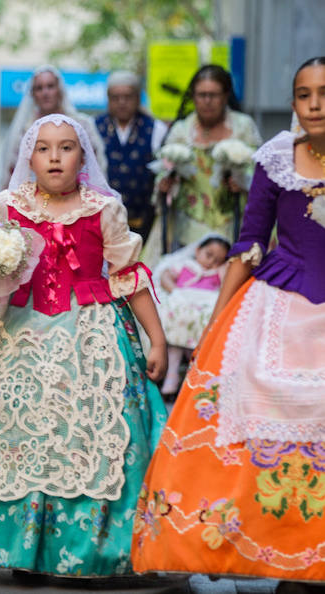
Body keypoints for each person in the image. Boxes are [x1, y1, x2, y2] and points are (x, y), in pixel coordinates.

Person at [0, 114, 168, 577]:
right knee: (12, 431)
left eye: (66, 147)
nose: (54, 156)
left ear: (82, 156)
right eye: (44, 147)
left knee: (85, 431)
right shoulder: (9, 206)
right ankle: (16, 550)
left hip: (90, 333)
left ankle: (84, 547)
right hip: (17, 329)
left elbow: (129, 276)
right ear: (29, 156)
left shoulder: (104, 208)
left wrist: (158, 339)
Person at [131, 57, 325, 585]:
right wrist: (217, 323)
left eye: (324, 93)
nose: (315, 104)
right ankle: (265, 551)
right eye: (304, 94)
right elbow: (250, 242)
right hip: (277, 304)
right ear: (292, 104)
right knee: (248, 437)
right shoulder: (276, 159)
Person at [144, 65, 262, 263]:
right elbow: (164, 171)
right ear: (193, 97)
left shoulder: (243, 127)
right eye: (201, 95)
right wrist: (166, 184)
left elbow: (261, 172)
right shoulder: (181, 131)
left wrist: (242, 182)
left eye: (214, 95)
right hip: (189, 224)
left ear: (226, 96)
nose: (207, 101)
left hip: (235, 221)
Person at [0, 65, 107, 191]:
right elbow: (13, 172)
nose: (45, 93)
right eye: (39, 88)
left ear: (60, 90)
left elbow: (95, 166)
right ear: (33, 94)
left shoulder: (81, 125)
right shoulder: (23, 132)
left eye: (50, 86)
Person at [96, 71, 168, 239]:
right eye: (116, 97)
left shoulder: (156, 129)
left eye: (128, 97)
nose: (122, 103)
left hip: (144, 220)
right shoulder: (94, 127)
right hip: (102, 221)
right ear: (108, 99)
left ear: (138, 97)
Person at [156, 235, 230, 397]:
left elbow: (226, 286)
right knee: (174, 346)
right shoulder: (185, 265)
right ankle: (171, 380)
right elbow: (165, 276)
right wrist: (175, 291)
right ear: (197, 251)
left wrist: (224, 268)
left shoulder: (217, 273)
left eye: (218, 260)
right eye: (208, 255)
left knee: (198, 352)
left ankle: (192, 383)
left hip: (200, 319)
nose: (211, 262)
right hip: (181, 316)